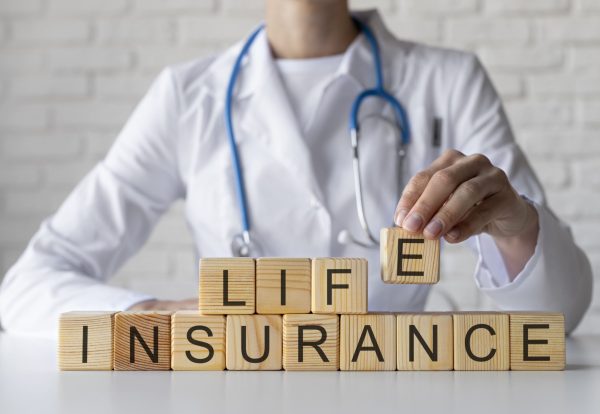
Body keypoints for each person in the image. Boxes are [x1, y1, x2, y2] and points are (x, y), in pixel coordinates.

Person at [0, 0, 592, 337]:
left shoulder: (448, 79)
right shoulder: (186, 97)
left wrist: (517, 228)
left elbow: (556, 317)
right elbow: (24, 289)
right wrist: (158, 316)